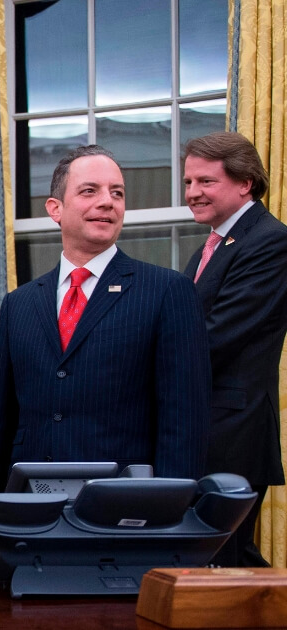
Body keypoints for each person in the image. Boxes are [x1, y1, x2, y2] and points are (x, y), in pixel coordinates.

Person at [0, 145, 211, 517]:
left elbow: (184, 422)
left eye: (117, 193)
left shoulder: (166, 291)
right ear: (55, 209)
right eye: (89, 191)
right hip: (31, 513)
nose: (108, 202)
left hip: (125, 512)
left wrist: (170, 516)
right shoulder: (21, 304)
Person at [182, 132, 287, 567]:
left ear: (245, 182)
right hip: (207, 427)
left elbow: (217, 335)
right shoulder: (212, 244)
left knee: (225, 559)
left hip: (234, 432)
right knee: (213, 558)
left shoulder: (269, 241)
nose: (192, 193)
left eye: (205, 181)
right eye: (188, 182)